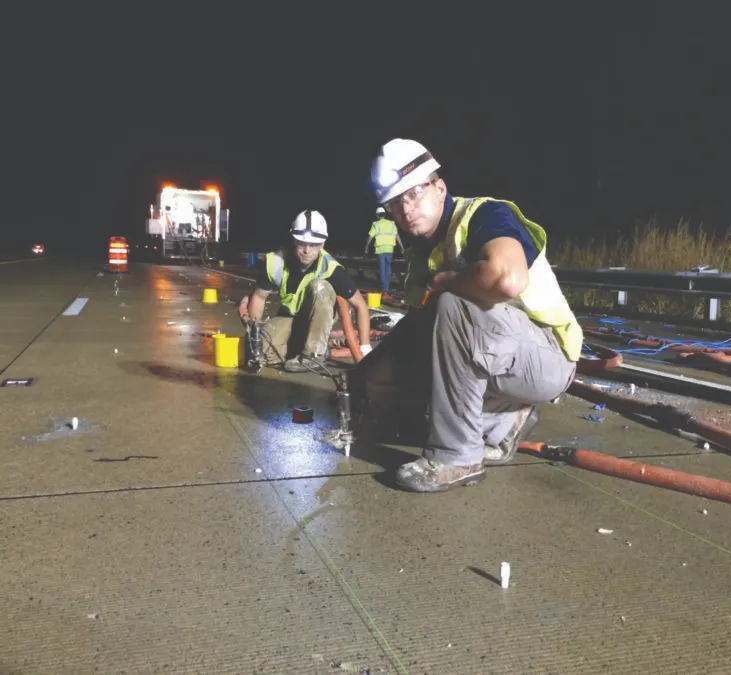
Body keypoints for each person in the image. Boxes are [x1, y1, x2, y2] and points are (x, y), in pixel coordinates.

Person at [352, 138, 582, 493]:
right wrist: (369, 378)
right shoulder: (421, 254)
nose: (406, 208)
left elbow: (508, 279)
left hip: (548, 357)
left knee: (449, 301)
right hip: (505, 357)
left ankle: (457, 458)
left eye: (413, 194)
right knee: (412, 366)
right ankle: (506, 422)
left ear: (439, 187)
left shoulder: (485, 216)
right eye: (396, 203)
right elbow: (417, 327)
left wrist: (449, 280)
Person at [244, 209, 373, 373]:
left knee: (320, 286)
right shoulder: (275, 262)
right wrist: (253, 334)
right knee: (260, 355)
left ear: (323, 244)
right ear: (293, 240)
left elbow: (361, 305)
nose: (307, 250)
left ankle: (314, 354)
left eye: (313, 245)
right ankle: (309, 348)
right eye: (302, 243)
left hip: (315, 320)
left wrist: (365, 347)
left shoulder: (330, 268)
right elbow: (259, 297)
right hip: (289, 318)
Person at [364, 206, 404, 292]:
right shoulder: (391, 223)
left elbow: (370, 237)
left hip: (380, 249)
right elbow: (397, 236)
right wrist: (401, 247)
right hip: (390, 248)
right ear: (385, 214)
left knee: (382, 268)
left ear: (377, 215)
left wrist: (366, 247)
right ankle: (387, 287)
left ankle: (384, 288)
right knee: (388, 267)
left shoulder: (376, 224)